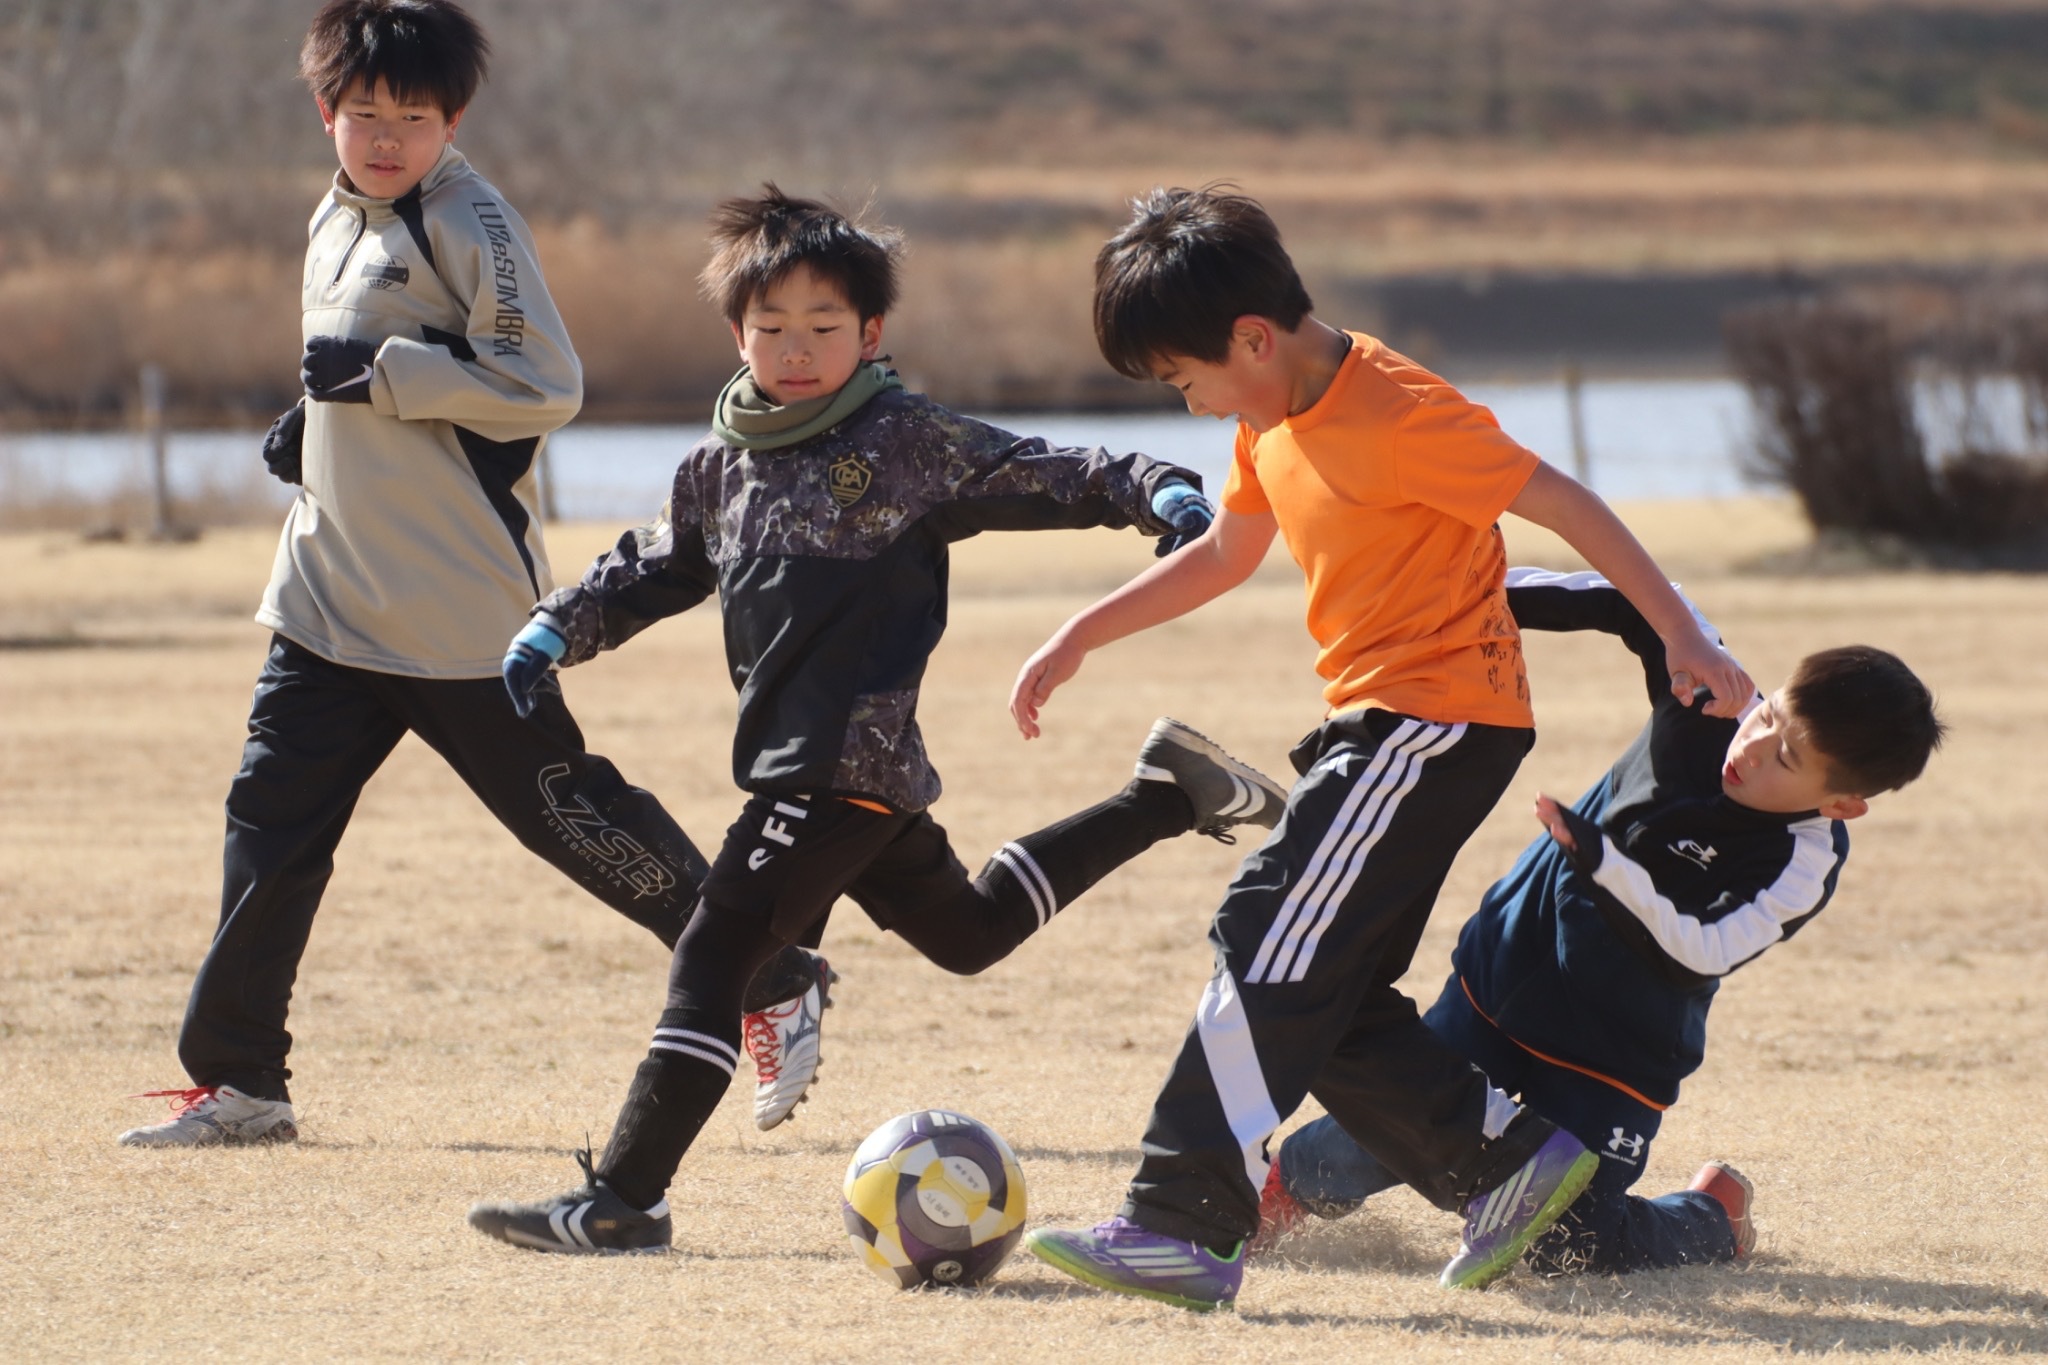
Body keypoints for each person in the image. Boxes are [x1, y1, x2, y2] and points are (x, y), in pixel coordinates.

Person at [465, 186, 1289, 1254]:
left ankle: (624, 1199)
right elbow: (652, 566)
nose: (796, 349)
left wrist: (1158, 490)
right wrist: (553, 628)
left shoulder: (901, 442)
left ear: (870, 332)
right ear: (736, 333)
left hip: (832, 774)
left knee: (714, 955)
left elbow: (1043, 470)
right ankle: (1164, 795)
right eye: (772, 327)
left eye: (823, 326)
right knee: (970, 934)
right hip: (855, 782)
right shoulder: (719, 465)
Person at [1012, 185, 1758, 1310]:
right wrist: (1081, 632)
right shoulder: (1271, 416)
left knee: (1265, 928)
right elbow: (1225, 553)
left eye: (1184, 379)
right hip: (1386, 722)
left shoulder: (1402, 412)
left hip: (1433, 720)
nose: (1191, 404)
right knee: (1326, 984)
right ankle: (1505, 1168)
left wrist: (1682, 635)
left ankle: (1179, 1223)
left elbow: (1567, 504)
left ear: (1250, 340)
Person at [116, 0, 821, 1148]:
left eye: (413, 116)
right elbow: (354, 370)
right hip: (327, 595)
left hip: (454, 614)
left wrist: (384, 377)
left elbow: (543, 383)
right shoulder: (333, 218)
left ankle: (770, 974)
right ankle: (241, 1081)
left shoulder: (468, 219)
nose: (386, 136)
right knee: (268, 828)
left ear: (453, 120)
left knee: (571, 819)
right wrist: (316, 426)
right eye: (364, 113)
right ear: (325, 112)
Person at [1262, 569, 1945, 1275]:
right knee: (1381, 1135)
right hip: (1505, 977)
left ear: (1841, 804)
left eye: (1786, 759)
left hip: (1615, 1053)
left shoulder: (1804, 861)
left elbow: (1701, 953)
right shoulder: (1712, 693)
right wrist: (1464, 600)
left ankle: (1714, 1215)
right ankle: (1276, 1190)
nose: (1751, 747)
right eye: (1768, 715)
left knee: (1569, 1245)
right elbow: (1637, 597)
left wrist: (1608, 867)